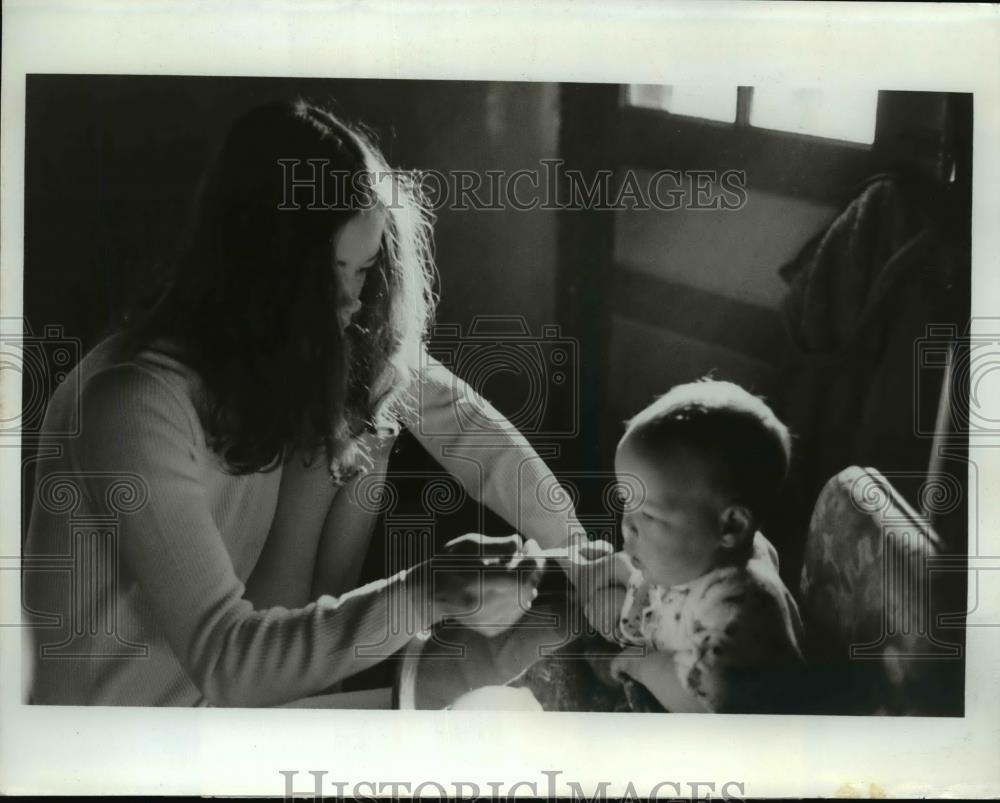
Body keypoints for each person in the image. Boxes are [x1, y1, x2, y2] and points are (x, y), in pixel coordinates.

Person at [23, 98, 605, 707]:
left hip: (221, 717)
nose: (353, 303)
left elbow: (465, 429)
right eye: (334, 273)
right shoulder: (134, 402)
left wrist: (580, 552)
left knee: (376, 406)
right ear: (261, 268)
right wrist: (426, 590)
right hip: (126, 754)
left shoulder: (292, 350)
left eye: (363, 270)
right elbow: (227, 659)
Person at [594, 379, 806, 713]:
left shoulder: (738, 611)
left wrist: (643, 665)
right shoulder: (700, 554)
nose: (627, 524)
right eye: (625, 501)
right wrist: (622, 589)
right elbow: (664, 592)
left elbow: (703, 703)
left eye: (648, 514)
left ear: (731, 525)